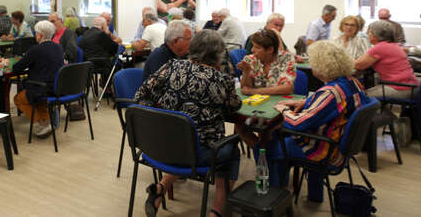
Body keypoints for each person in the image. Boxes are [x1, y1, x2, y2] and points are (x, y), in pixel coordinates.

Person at [134, 30, 242, 217]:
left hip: (159, 146)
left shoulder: (171, 66)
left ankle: (160, 189)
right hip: (195, 154)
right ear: (218, 54)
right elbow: (233, 107)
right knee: (232, 151)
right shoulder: (220, 79)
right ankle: (217, 211)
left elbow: (140, 97)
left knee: (184, 143)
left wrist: (160, 117)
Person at [267, 41, 369, 202]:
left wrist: (283, 109)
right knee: (281, 139)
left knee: (268, 146)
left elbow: (297, 123)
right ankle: (314, 196)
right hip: (340, 147)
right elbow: (334, 108)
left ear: (322, 67)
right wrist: (306, 103)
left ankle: (274, 198)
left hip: (324, 152)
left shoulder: (331, 93)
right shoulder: (353, 82)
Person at [11, 21, 64, 138]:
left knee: (19, 99)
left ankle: (41, 123)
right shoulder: (59, 47)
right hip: (56, 87)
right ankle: (46, 122)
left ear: (40, 35)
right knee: (36, 97)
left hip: (41, 87)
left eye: (36, 33)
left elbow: (17, 68)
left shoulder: (35, 49)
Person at [355, 20, 419, 99]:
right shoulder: (394, 45)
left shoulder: (380, 48)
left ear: (375, 35)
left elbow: (358, 65)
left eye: (369, 32)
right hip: (412, 87)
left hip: (400, 88)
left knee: (359, 97)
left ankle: (381, 111)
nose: (367, 34)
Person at [238, 30, 296, 96]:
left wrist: (254, 92)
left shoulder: (286, 58)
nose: (252, 50)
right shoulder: (250, 59)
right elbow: (245, 89)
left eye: (257, 47)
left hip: (279, 101)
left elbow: (288, 88)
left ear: (270, 50)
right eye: (253, 46)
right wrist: (246, 72)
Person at [79, 17, 119, 84]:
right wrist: (107, 33)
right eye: (106, 25)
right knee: (118, 62)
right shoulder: (101, 34)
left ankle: (104, 83)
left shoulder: (86, 33)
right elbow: (115, 48)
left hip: (86, 63)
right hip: (98, 63)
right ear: (103, 25)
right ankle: (107, 87)